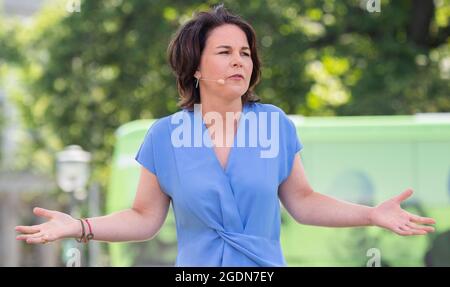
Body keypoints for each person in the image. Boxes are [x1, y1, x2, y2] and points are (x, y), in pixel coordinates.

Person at [15, 4, 436, 267]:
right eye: (225, 52)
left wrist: (371, 213)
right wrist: (81, 226)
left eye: (245, 53)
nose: (240, 62)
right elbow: (144, 218)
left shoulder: (274, 124)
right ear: (195, 67)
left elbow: (304, 203)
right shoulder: (164, 135)